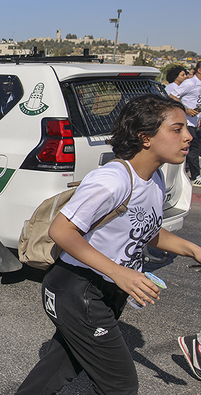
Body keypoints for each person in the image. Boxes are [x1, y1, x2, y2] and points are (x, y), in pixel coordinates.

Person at [15, 94, 201, 395]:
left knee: (59, 367)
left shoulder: (154, 178)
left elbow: (147, 231)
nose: (188, 136)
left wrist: (193, 249)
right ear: (145, 138)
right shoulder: (112, 180)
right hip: (77, 290)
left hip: (105, 290)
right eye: (177, 129)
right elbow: (62, 231)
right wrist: (120, 272)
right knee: (120, 385)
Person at [170, 61, 201, 186]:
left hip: (195, 122)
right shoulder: (190, 83)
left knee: (191, 148)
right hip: (185, 121)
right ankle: (195, 176)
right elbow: (173, 96)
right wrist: (186, 109)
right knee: (194, 147)